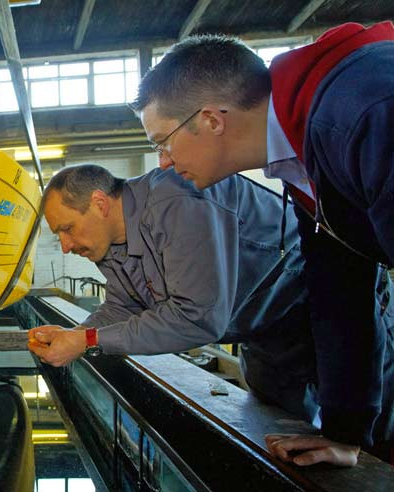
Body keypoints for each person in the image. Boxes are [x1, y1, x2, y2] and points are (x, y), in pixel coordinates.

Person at [129, 22, 394, 466]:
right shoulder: (305, 162)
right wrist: (346, 433)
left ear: (212, 120)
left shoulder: (365, 111)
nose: (164, 162)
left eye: (163, 141)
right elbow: (341, 294)